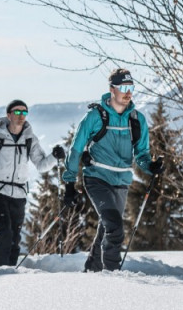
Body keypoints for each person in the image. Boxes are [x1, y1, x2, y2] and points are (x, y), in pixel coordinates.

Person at [61, 68, 163, 272]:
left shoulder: (137, 119)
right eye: (123, 87)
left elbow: (141, 154)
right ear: (112, 89)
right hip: (97, 178)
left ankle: (92, 269)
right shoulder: (95, 116)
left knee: (107, 227)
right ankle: (111, 275)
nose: (128, 92)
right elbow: (76, 148)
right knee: (114, 227)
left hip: (122, 181)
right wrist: (70, 183)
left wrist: (150, 166)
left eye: (131, 87)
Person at [0, 99, 65, 266]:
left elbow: (41, 165)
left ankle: (9, 271)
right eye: (17, 112)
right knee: (5, 232)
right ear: (8, 115)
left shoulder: (29, 139)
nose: (21, 115)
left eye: (24, 112)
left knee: (15, 236)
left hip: (19, 193)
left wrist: (55, 157)